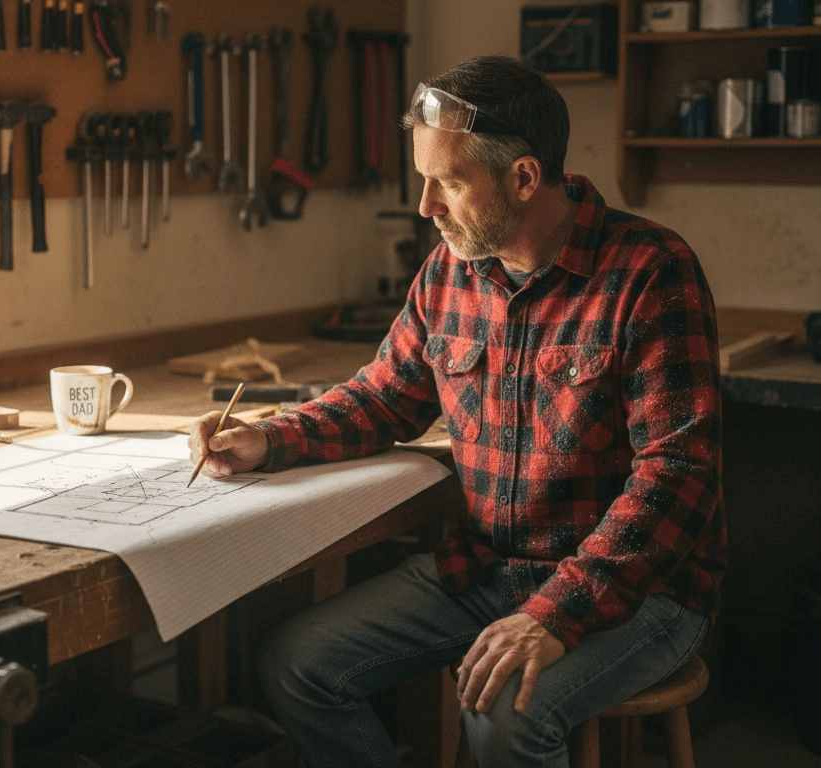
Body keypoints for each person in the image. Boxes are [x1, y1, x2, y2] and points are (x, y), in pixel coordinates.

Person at [187, 54, 727, 768]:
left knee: (503, 717)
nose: (426, 206)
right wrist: (267, 437)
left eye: (447, 181)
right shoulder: (450, 269)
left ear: (524, 177)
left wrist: (554, 615)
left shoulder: (651, 269)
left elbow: (677, 473)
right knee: (298, 664)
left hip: (638, 590)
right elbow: (384, 397)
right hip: (486, 571)